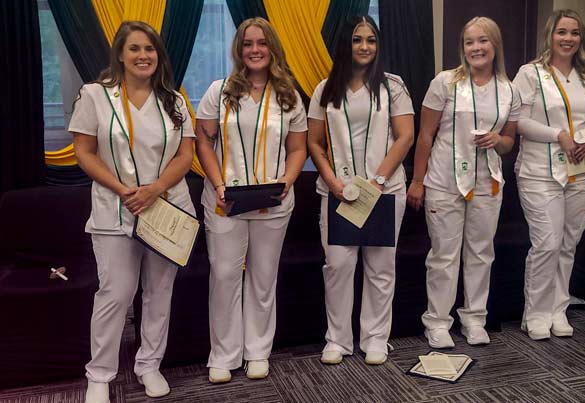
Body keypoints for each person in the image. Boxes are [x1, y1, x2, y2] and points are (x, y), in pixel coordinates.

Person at [70, 21, 195, 403]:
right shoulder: (95, 96)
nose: (144, 56)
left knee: (159, 291)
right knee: (116, 293)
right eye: (135, 49)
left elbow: (185, 155)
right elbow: (84, 152)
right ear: (120, 55)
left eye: (150, 49)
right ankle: (100, 375)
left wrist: (155, 189)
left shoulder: (174, 99)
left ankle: (149, 365)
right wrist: (124, 189)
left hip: (166, 209)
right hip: (116, 208)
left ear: (159, 55)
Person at [195, 17, 307, 381]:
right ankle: (223, 355)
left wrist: (288, 181)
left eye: (261, 43)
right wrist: (217, 183)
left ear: (272, 47)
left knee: (263, 277)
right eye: (247, 44)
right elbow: (203, 142)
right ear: (238, 49)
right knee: (225, 275)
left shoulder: (289, 94)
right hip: (226, 200)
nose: (255, 50)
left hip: (273, 201)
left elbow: (298, 148)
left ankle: (258, 351)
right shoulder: (220, 90)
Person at [307, 15, 414, 365]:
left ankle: (375, 338)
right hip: (337, 193)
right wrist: (334, 182)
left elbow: (405, 137)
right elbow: (314, 143)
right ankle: (337, 339)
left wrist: (378, 181)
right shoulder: (325, 89)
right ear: (346, 44)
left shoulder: (393, 87)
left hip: (382, 190)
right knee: (338, 266)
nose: (365, 46)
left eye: (371, 40)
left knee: (381, 267)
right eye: (357, 40)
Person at [407, 17, 519, 348]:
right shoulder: (445, 82)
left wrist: (498, 139)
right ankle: (438, 322)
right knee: (444, 254)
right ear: (462, 47)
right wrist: (417, 180)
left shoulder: (509, 89)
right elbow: (425, 134)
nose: (476, 48)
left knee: (481, 253)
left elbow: (510, 143)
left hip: (487, 183)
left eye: (482, 41)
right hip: (443, 180)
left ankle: (474, 318)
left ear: (495, 45)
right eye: (469, 42)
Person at [512, 9, 585, 340]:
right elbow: (518, 121)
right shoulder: (530, 73)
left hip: (582, 169)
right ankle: (535, 314)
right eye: (562, 32)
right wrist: (558, 135)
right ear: (549, 36)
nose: (568, 39)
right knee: (547, 243)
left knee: (568, 243)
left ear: (582, 39)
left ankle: (558, 308)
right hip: (540, 171)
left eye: (575, 33)